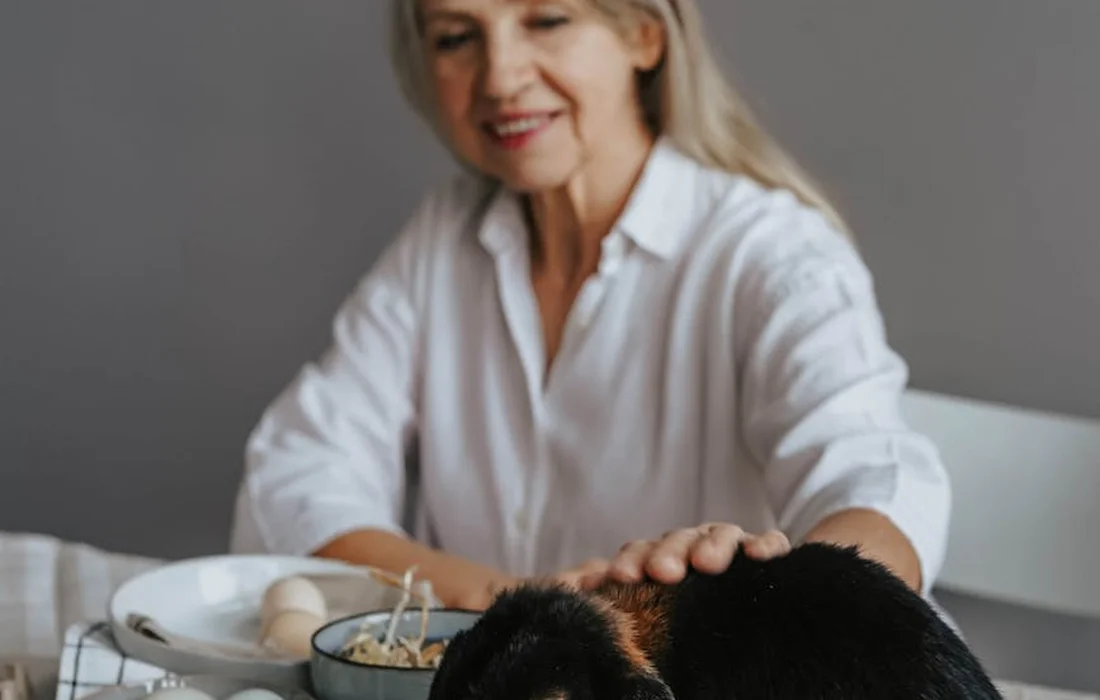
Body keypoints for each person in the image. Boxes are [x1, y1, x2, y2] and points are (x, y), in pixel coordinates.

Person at [228, 0, 951, 613]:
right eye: (456, 36)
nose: (501, 76)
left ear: (644, 34)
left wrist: (798, 604)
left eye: (546, 19)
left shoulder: (773, 254)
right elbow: (296, 477)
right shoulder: (443, 239)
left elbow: (875, 481)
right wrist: (524, 609)